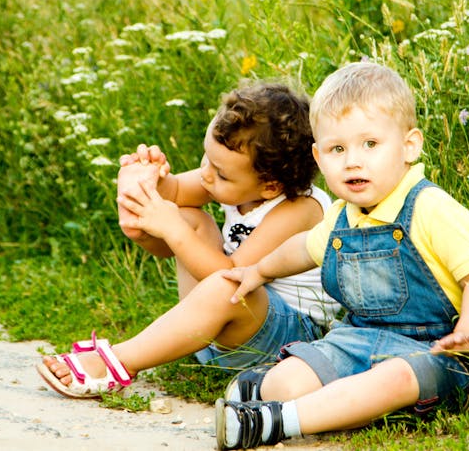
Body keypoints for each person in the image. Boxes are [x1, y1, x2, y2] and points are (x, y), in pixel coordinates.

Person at [214, 62, 469, 449]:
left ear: (409, 145)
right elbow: (302, 248)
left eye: (370, 144)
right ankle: (271, 388)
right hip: (355, 340)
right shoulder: (340, 218)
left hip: (428, 352)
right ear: (318, 156)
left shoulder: (431, 208)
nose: (352, 161)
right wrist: (258, 270)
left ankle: (275, 422)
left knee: (394, 379)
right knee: (290, 380)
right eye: (337, 149)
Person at [36, 82, 340, 398]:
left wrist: (172, 228)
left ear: (270, 186)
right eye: (206, 158)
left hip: (284, 340)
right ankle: (187, 333)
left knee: (225, 281)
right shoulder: (228, 176)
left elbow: (232, 276)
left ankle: (119, 361)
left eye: (220, 173)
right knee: (188, 216)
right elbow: (175, 193)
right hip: (227, 331)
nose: (206, 175)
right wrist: (148, 182)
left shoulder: (300, 208)